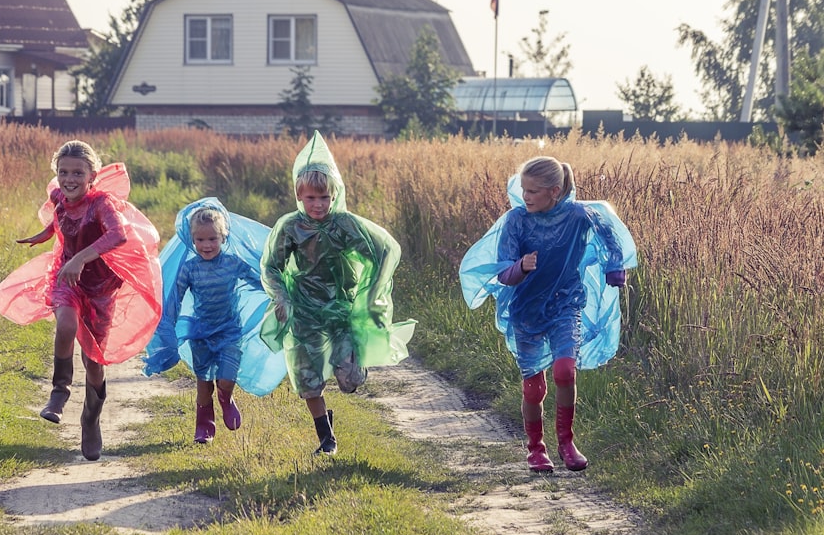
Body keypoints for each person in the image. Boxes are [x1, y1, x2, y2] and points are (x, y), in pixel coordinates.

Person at [0, 140, 162, 461]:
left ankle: (91, 419)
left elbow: (117, 235)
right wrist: (46, 234)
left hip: (100, 287)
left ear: (92, 175)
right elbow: (61, 218)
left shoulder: (102, 204)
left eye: (78, 173)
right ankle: (59, 392)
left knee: (94, 362)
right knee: (65, 323)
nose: (70, 179)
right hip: (66, 280)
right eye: (63, 172)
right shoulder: (58, 196)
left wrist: (81, 257)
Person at [459, 156, 637, 472]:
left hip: (565, 306)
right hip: (525, 311)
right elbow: (503, 274)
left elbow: (608, 229)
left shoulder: (579, 216)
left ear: (554, 191)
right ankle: (536, 450)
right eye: (524, 189)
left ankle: (567, 442)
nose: (525, 196)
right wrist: (520, 268)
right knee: (534, 387)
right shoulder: (517, 221)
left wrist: (615, 267)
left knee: (565, 371)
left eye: (533, 191)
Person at [261, 131, 416, 456]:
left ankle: (355, 368)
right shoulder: (290, 227)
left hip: (340, 312)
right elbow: (271, 267)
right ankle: (326, 438)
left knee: (348, 380)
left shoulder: (345, 225)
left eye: (324, 198)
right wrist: (282, 298)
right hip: (304, 314)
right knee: (308, 380)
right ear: (299, 196)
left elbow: (384, 250)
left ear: (334, 195)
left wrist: (372, 291)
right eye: (310, 198)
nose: (317, 205)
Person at [143, 197, 287, 443]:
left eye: (212, 239)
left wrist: (279, 294)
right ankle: (204, 426)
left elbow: (258, 279)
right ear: (192, 240)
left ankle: (226, 397)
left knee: (226, 377)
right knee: (204, 383)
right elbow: (174, 299)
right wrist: (168, 326)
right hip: (201, 333)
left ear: (223, 237)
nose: (206, 245)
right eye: (200, 240)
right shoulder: (190, 268)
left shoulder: (232, 263)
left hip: (230, 331)